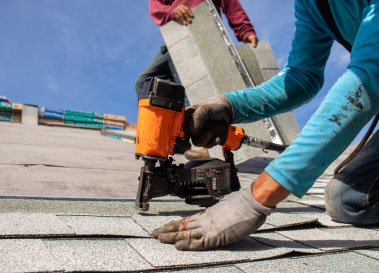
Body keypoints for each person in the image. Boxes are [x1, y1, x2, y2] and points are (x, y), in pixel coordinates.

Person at [152, 0, 379, 250]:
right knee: (348, 200)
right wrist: (230, 106)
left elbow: (369, 74)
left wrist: (255, 198)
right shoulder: (310, 5)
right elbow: (301, 78)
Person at [135, 0, 259, 159]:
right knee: (145, 82)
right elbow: (156, 7)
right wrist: (173, 11)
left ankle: (205, 145)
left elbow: (231, 6)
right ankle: (175, 136)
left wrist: (246, 31)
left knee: (199, 89)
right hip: (177, 37)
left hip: (205, 32)